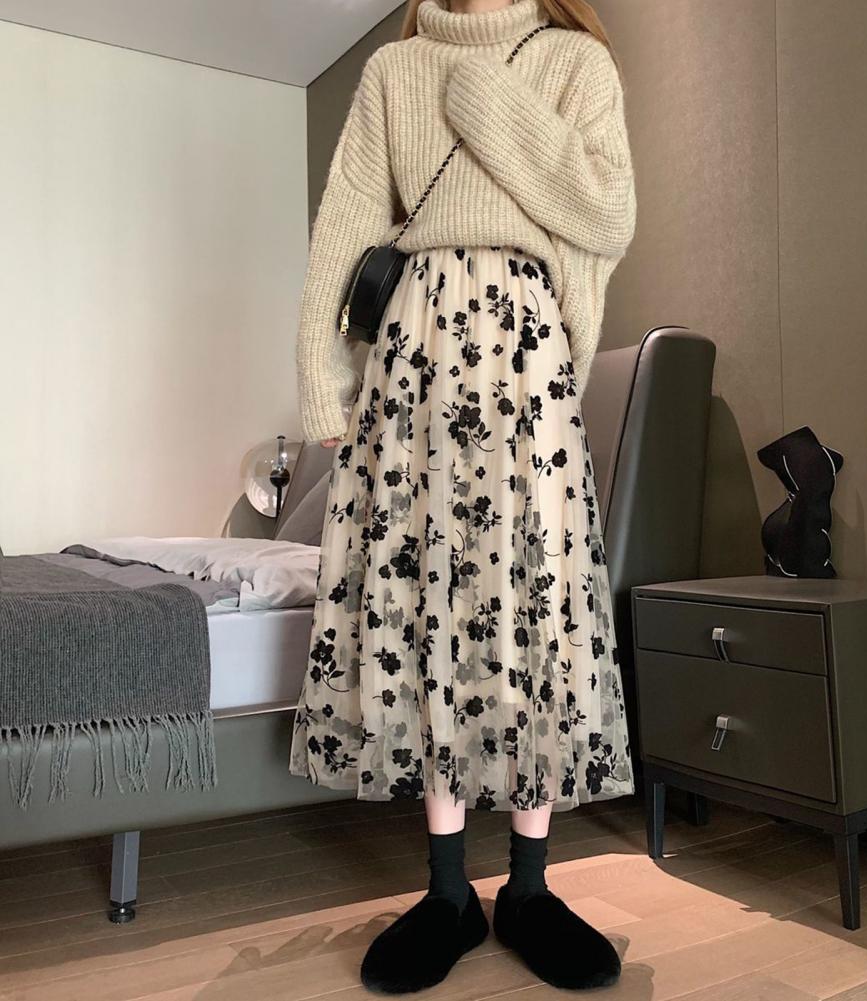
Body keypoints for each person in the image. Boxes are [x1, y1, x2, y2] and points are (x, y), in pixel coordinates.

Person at [290, 0, 636, 991]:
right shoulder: (393, 73)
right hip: (414, 356)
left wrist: (495, 107)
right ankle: (447, 891)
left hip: (528, 357)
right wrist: (322, 378)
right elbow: (345, 224)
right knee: (422, 607)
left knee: (535, 610)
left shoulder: (573, 61)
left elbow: (603, 213)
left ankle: (528, 886)